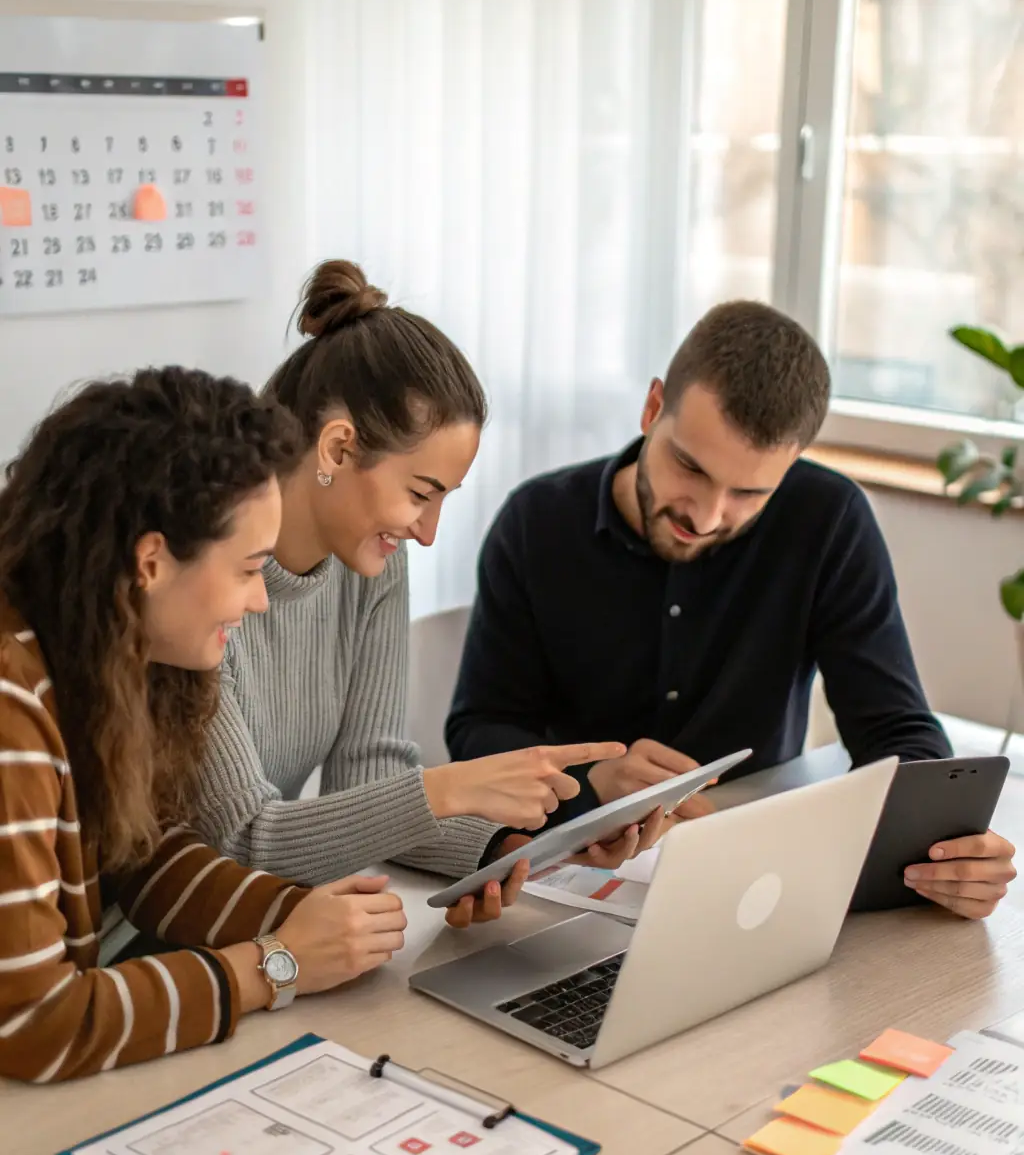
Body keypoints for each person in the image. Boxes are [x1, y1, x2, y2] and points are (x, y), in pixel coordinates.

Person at [446, 301, 1017, 921]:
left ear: (790, 465)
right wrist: (592, 785)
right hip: (571, 877)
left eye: (749, 492)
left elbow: (896, 728)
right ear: (652, 408)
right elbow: (481, 728)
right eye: (689, 466)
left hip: (751, 889)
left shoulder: (828, 521)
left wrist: (944, 847)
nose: (707, 516)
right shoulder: (537, 523)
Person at [0, 365, 414, 1089]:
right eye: (250, 567)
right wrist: (271, 966)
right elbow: (37, 1022)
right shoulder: (10, 703)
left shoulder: (99, 649)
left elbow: (147, 856)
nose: (260, 600)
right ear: (151, 560)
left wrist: (303, 918)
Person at [192, 260, 641, 928]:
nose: (427, 533)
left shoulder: (370, 559)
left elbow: (368, 777)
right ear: (339, 449)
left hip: (253, 927)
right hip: (170, 938)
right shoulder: (203, 578)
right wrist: (452, 788)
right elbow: (241, 841)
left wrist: (511, 846)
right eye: (420, 494)